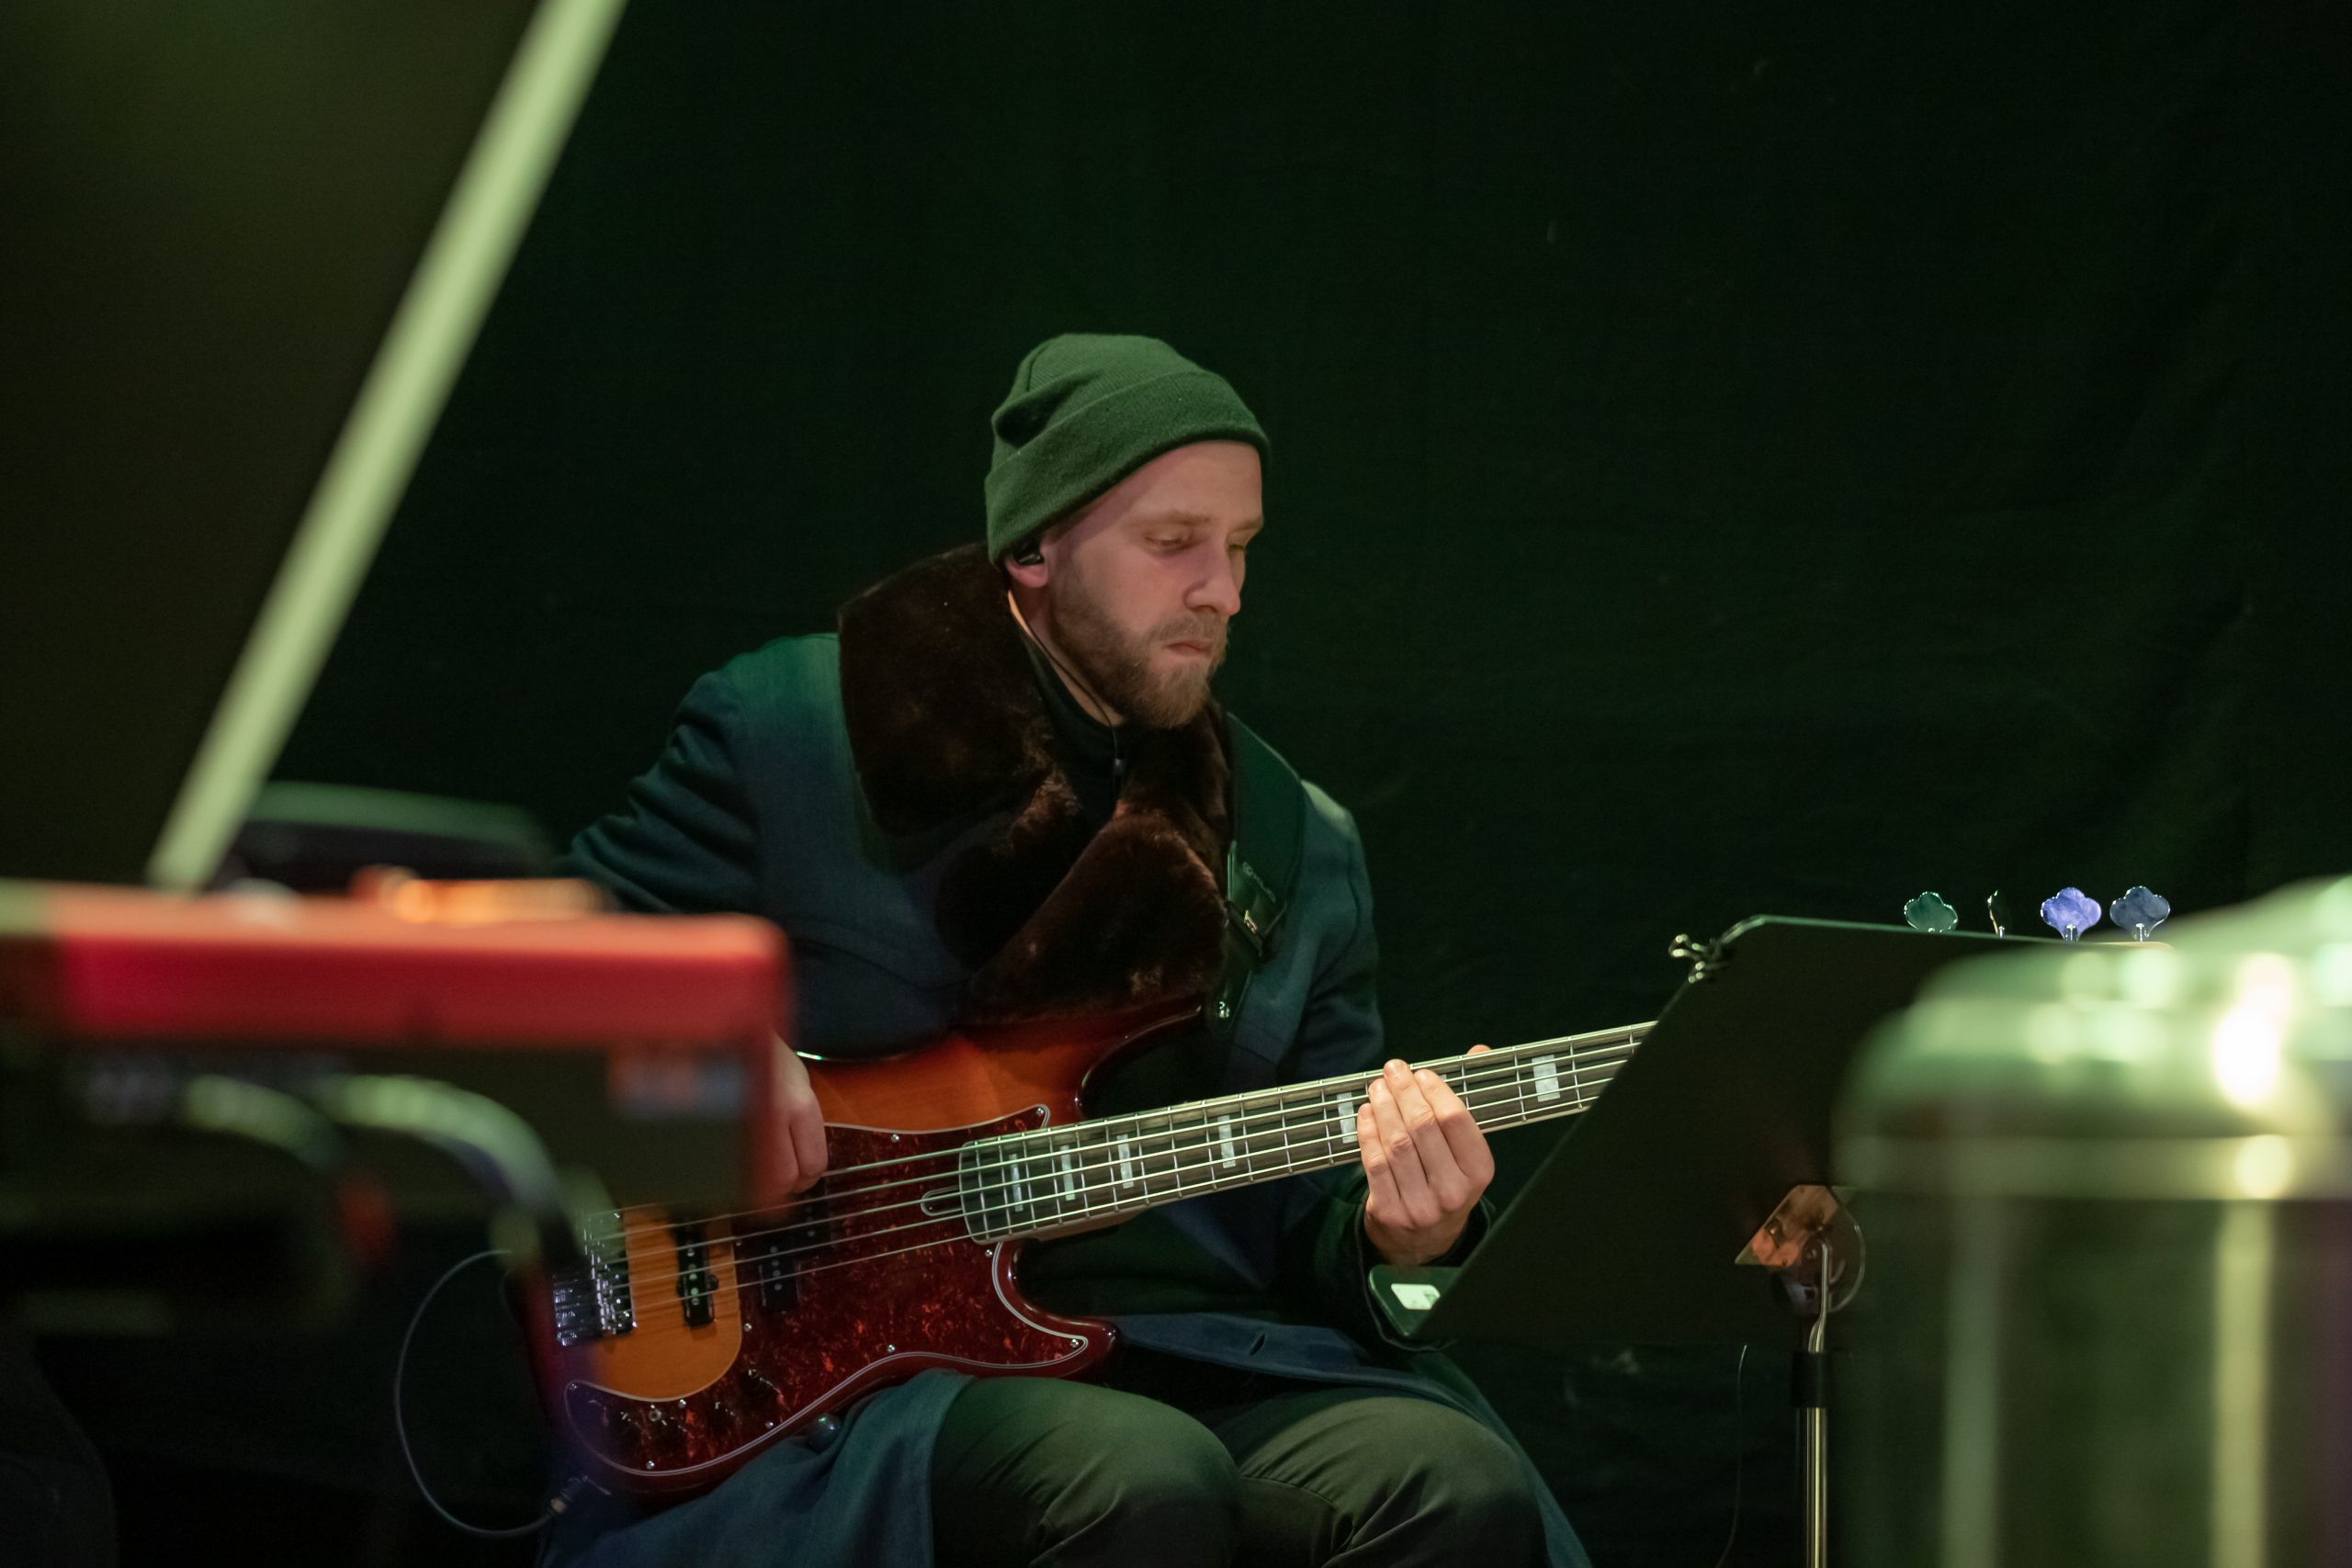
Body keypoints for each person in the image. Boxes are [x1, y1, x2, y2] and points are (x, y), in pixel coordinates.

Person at [555, 334, 1588, 1567]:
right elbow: (552, 961)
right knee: (1132, 1477)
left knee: (1453, 1481)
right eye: (1174, 542)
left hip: (1193, 1349)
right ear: (1035, 547)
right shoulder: (791, 731)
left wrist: (1398, 1235)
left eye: (1241, 546)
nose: (1223, 591)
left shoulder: (1294, 840)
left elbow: (1310, 1222)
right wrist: (708, 1043)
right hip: (856, 1379)